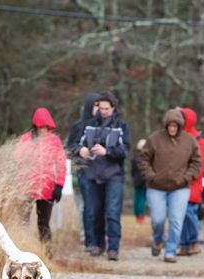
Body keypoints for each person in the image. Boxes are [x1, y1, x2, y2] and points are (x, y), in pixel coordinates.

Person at [138, 108, 202, 263]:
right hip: (156, 187)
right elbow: (143, 159)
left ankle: (171, 250)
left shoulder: (189, 140)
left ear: (180, 126)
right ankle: (158, 240)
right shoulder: (154, 139)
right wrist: (151, 176)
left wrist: (186, 178)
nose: (172, 128)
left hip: (179, 188)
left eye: (175, 126)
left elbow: (196, 162)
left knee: (176, 220)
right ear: (166, 125)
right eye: (170, 126)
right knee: (158, 220)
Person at [78, 91, 131, 261]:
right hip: (93, 174)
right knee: (95, 212)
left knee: (112, 213)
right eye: (100, 108)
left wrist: (107, 151)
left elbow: (125, 150)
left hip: (113, 176)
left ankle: (113, 248)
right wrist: (81, 150)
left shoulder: (121, 126)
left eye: (106, 108)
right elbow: (75, 144)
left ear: (113, 108)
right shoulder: (89, 125)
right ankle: (98, 244)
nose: (103, 111)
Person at [14, 107, 66, 257]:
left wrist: (59, 185)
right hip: (27, 187)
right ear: (36, 125)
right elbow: (17, 159)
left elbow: (61, 163)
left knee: (43, 223)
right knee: (23, 222)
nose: (44, 130)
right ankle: (21, 253)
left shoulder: (55, 140)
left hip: (47, 189)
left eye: (47, 127)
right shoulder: (25, 139)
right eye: (42, 127)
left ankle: (46, 254)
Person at [66, 92, 100, 252]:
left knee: (98, 207)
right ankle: (87, 238)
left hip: (101, 172)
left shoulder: (105, 125)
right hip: (81, 172)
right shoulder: (78, 126)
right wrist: (80, 150)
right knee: (86, 207)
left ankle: (97, 238)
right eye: (95, 105)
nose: (98, 109)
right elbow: (69, 148)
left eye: (100, 106)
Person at [177, 107, 204, 256]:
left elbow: (200, 165)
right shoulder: (178, 138)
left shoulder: (200, 141)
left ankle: (193, 242)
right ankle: (184, 245)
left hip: (193, 184)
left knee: (189, 213)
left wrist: (187, 175)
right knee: (180, 215)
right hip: (178, 183)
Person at [131, 139, 147, 223]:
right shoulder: (145, 159)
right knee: (142, 198)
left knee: (136, 198)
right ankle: (140, 215)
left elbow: (132, 171)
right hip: (143, 181)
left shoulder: (134, 158)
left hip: (136, 180)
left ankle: (137, 215)